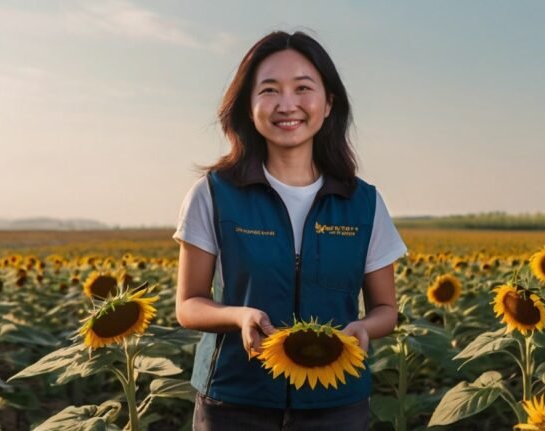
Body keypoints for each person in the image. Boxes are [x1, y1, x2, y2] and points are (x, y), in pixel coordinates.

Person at [174, 30, 407, 431]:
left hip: (336, 405)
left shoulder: (364, 203)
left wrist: (364, 329)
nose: (287, 105)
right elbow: (189, 304)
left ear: (329, 102)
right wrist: (239, 316)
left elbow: (386, 310)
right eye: (269, 90)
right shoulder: (213, 194)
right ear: (248, 106)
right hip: (234, 402)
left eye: (303, 88)